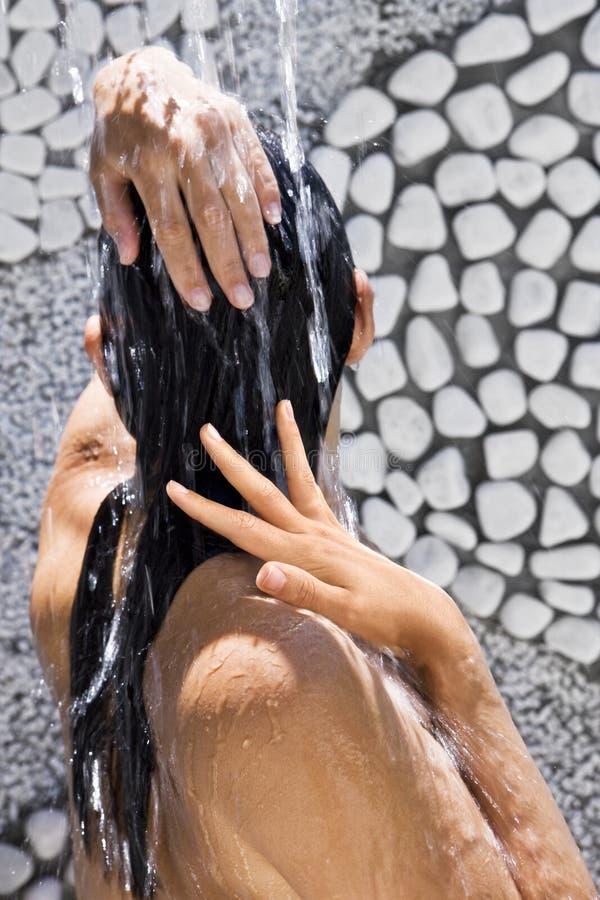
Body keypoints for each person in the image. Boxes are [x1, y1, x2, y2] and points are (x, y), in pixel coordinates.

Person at [30, 48, 596, 900]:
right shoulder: (281, 678)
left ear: (104, 360)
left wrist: (127, 82)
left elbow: (155, 352)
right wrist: (450, 656)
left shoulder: (83, 518)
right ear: (359, 317)